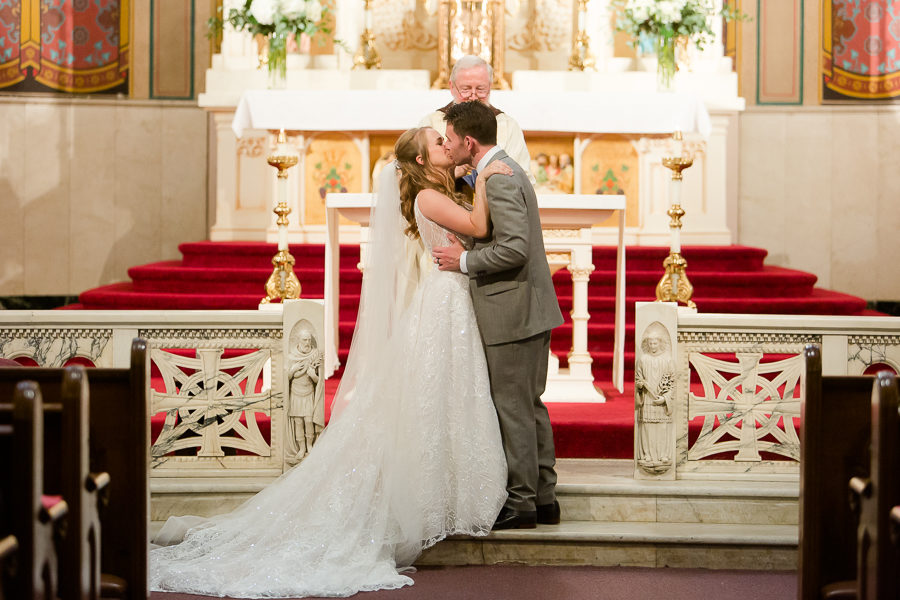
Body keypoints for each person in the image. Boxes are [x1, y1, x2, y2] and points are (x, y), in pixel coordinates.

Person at [148, 127, 514, 598]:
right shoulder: (428, 195)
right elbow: (481, 227)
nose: (448, 146)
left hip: (449, 296)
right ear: (422, 161)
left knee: (448, 393)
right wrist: (484, 178)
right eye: (438, 143)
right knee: (434, 394)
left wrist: (469, 178)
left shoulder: (438, 186)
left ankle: (446, 495)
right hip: (444, 298)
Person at [433, 100, 565, 530]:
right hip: (526, 307)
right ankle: (544, 497)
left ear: (469, 141)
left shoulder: (502, 179)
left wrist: (464, 261)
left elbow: (514, 248)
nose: (448, 147)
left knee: (512, 407)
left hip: (512, 310)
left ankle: (523, 502)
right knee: (528, 406)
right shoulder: (495, 169)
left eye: (450, 140)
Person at [419, 55, 531, 175]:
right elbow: (417, 173)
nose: (473, 97)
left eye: (480, 89)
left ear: (490, 87)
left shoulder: (508, 126)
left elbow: (522, 176)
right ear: (452, 87)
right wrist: (451, 174)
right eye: (466, 89)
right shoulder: (431, 124)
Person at [287, 328, 324, 460]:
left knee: (308, 420)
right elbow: (288, 377)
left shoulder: (315, 355)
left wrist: (313, 375)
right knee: (298, 422)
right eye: (304, 339)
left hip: (308, 393)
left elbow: (318, 380)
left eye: (309, 339)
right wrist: (293, 370)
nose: (307, 342)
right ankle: (301, 448)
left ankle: (309, 446)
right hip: (296, 393)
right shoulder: (292, 355)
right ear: (299, 340)